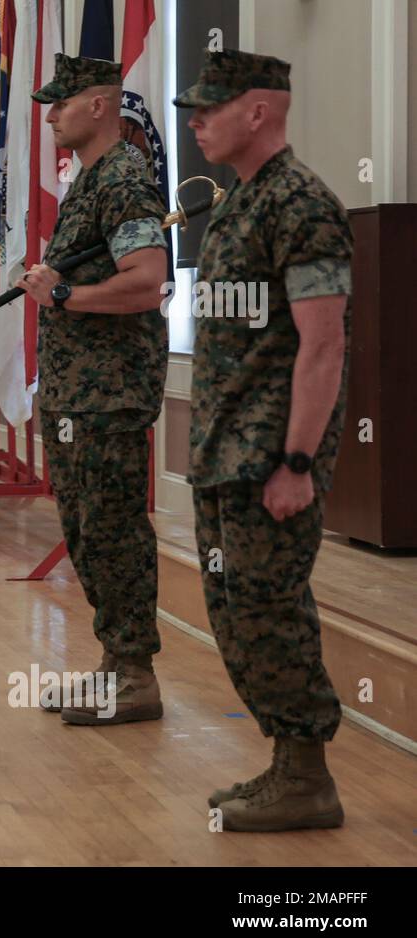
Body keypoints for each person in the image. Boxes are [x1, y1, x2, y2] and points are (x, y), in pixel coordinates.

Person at [176, 49, 351, 831]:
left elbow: (325, 347)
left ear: (258, 111)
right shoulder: (237, 203)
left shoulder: (302, 204)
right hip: (223, 453)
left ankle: (310, 776)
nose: (195, 121)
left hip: (269, 459)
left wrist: (298, 463)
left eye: (209, 107)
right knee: (234, 612)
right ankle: (286, 764)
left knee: (270, 610)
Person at [16, 54, 170, 725]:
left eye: (62, 104)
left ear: (101, 105)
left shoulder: (126, 177)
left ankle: (136, 674)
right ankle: (115, 662)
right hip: (77, 393)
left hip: (109, 393)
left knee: (112, 530)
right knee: (86, 532)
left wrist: (67, 294)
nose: (51, 115)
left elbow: (146, 280)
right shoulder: (90, 180)